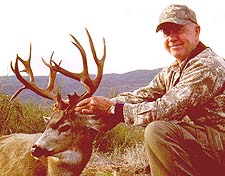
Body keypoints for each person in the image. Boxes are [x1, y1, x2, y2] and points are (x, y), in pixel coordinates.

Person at [75, 4, 225, 176]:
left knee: (158, 131)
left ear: (196, 31)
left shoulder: (207, 66)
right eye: (167, 33)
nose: (172, 38)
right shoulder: (174, 69)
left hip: (219, 145)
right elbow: (144, 95)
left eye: (178, 30)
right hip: (206, 144)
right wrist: (91, 105)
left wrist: (111, 109)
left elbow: (165, 110)